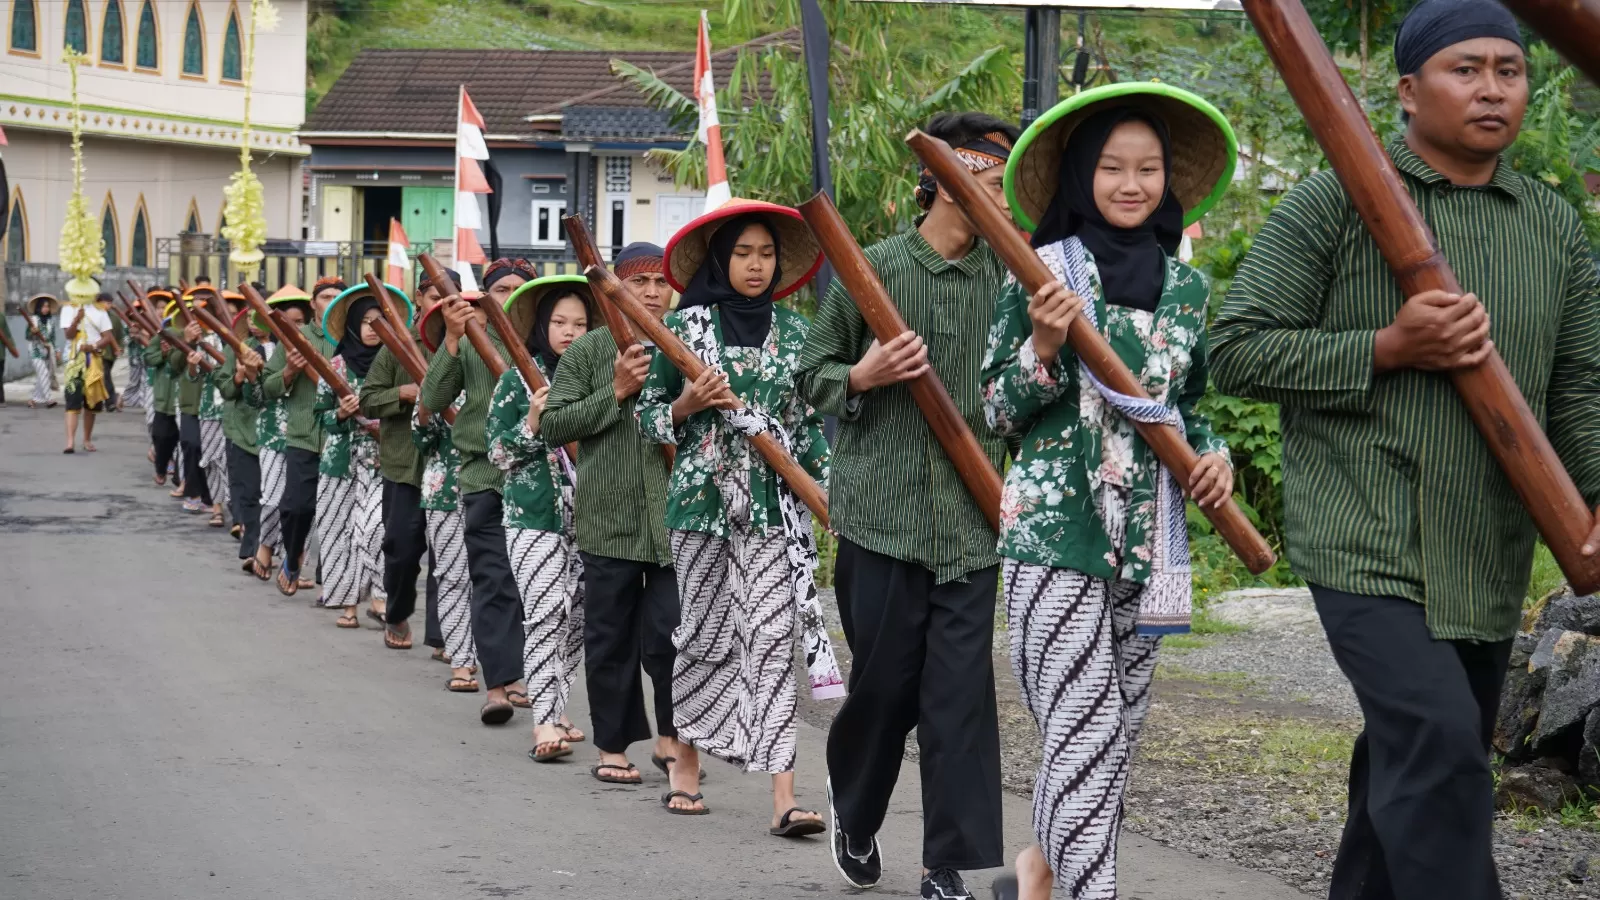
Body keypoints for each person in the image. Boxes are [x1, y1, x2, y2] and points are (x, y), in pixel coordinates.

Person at [1211, 3, 1600, 896]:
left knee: (1424, 751)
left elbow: (1577, 383)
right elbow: (1234, 347)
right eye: (1467, 68)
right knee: (1437, 748)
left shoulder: (1550, 223)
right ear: (1408, 89)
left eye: (1511, 69)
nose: (1494, 87)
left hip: (1487, 545)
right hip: (1366, 536)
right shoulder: (1336, 201)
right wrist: (1387, 348)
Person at [981, 85, 1236, 900]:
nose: (1132, 184)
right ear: (1081, 174)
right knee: (1082, 724)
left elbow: (1188, 407)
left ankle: (1040, 869)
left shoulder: (1189, 292)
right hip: (1055, 533)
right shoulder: (1039, 274)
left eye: (1149, 169)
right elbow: (995, 410)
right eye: (1113, 168)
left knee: (1109, 736)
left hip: (1147, 539)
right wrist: (1044, 344)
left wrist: (1216, 456)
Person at [796, 112, 1018, 898]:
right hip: (880, 518)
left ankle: (944, 863)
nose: (998, 188)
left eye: (1004, 176)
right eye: (986, 173)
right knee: (885, 687)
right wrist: (863, 374)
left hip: (974, 523)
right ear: (943, 179)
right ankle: (854, 811)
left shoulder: (1013, 276)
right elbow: (810, 372)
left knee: (959, 698)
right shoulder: (875, 267)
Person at [636, 204, 836, 828]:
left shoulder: (800, 335)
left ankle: (785, 798)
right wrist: (685, 404)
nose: (756, 265)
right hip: (700, 508)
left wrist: (828, 495)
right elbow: (645, 418)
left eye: (767, 254)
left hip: (775, 512)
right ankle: (686, 770)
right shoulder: (685, 330)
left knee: (774, 640)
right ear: (722, 259)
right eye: (744, 252)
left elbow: (808, 433)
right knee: (703, 634)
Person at [541, 243, 694, 789]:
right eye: (639, 281)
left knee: (672, 635)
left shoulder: (690, 345)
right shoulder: (588, 352)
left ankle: (671, 739)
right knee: (609, 638)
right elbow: (554, 426)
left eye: (661, 281)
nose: (652, 292)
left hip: (678, 518)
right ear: (615, 288)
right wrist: (616, 391)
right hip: (609, 517)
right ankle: (611, 746)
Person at [421, 258, 537, 725]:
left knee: (534, 585)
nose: (509, 296)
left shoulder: (549, 340)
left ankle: (526, 674)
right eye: (500, 289)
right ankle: (497, 685)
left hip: (540, 481)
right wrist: (451, 340)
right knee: (492, 580)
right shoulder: (468, 342)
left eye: (518, 289)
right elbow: (431, 400)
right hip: (484, 477)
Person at [487, 276, 597, 762]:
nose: (569, 331)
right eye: (559, 322)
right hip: (532, 515)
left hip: (592, 517)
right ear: (541, 325)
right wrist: (533, 423)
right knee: (547, 608)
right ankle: (544, 721)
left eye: (580, 323)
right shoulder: (517, 380)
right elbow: (497, 453)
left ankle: (557, 702)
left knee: (578, 616)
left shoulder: (601, 378)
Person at [314, 286, 404, 628]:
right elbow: (319, 416)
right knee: (340, 532)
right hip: (340, 464)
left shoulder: (396, 364)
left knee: (376, 530)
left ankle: (380, 596)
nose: (371, 327)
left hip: (384, 462)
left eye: (379, 320)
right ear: (352, 324)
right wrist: (339, 414)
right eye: (365, 321)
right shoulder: (334, 366)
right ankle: (349, 604)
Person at [360, 279, 442, 655]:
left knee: (452, 554)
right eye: (436, 297)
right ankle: (397, 612)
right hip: (405, 464)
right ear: (420, 300)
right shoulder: (396, 346)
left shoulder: (468, 345)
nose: (443, 305)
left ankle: (448, 635)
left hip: (451, 468)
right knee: (402, 549)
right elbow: (368, 400)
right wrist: (402, 394)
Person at [264, 276, 344, 595]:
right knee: (296, 508)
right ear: (313, 303)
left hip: (345, 439)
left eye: (339, 298)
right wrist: (289, 372)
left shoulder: (354, 338)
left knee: (339, 517)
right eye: (326, 297)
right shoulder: (294, 338)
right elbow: (267, 388)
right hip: (305, 435)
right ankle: (293, 557)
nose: (331, 303)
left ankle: (337, 583)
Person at [416, 299, 479, 692]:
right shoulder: (440, 374)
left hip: (497, 486)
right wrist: (426, 412)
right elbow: (420, 437)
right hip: (446, 490)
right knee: (454, 576)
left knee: (497, 580)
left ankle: (505, 666)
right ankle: (461, 660)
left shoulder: (504, 371)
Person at [251, 287, 312, 582]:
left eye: (300, 321)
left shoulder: (320, 345)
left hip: (310, 434)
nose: (295, 328)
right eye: (288, 321)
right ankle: (264, 546)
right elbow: (262, 392)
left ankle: (295, 558)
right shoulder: (270, 352)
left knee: (302, 505)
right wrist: (288, 371)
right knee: (274, 498)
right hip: (276, 435)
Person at [218, 306, 268, 577]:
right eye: (249, 318)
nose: (253, 322)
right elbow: (224, 387)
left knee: (276, 498)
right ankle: (252, 550)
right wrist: (240, 375)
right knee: (250, 494)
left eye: (258, 316)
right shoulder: (237, 348)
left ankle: (277, 553)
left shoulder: (287, 348)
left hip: (278, 431)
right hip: (243, 429)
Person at [190, 288, 231, 528]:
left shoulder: (239, 342)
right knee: (213, 460)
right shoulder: (204, 341)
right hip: (209, 410)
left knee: (232, 462)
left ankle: (238, 508)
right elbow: (194, 376)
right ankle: (217, 507)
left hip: (236, 409)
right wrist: (194, 365)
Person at [60, 290, 115, 453]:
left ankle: (87, 439)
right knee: (72, 402)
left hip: (94, 361)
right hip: (74, 363)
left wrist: (93, 346)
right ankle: (70, 442)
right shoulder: (68, 308)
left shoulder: (100, 311)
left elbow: (107, 337)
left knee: (92, 403)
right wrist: (77, 318)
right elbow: (68, 335)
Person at [175, 299, 216, 514]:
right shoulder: (182, 336)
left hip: (217, 403)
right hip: (192, 401)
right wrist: (188, 342)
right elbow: (174, 364)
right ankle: (193, 492)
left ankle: (212, 497)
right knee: (191, 444)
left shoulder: (221, 337)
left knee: (210, 450)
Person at [144, 290, 182, 486]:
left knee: (183, 440)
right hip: (163, 396)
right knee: (161, 436)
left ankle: (180, 478)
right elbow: (149, 357)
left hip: (184, 397)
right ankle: (160, 468)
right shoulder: (162, 333)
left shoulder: (192, 334)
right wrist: (164, 355)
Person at [25, 295, 59, 410]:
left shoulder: (51, 321)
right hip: (35, 351)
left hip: (46, 351)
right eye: (43, 306)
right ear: (38, 308)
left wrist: (57, 350)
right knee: (43, 373)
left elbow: (53, 338)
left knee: (42, 376)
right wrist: (33, 332)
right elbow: (27, 336)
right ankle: (49, 399)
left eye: (47, 306)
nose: (46, 309)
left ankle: (33, 400)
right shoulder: (33, 320)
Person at [96, 294, 123, 412]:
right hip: (96, 351)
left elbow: (120, 335)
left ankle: (107, 400)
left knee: (104, 377)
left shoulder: (114, 318)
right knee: (103, 377)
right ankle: (109, 401)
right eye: (106, 302)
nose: (109, 305)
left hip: (109, 353)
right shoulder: (93, 315)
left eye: (110, 303)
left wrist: (120, 348)